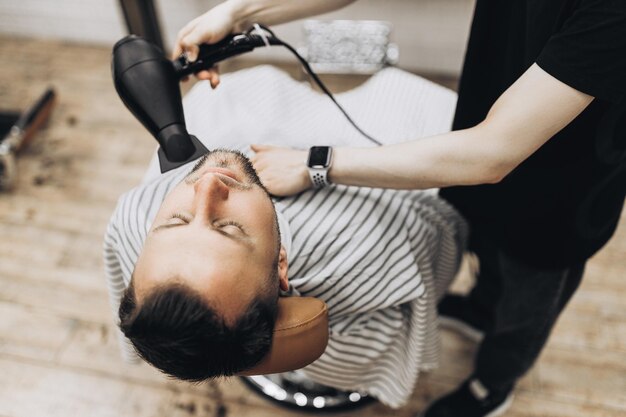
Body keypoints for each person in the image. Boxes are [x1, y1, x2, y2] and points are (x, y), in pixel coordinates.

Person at [172, 0, 626, 416]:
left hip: (563, 195)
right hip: (490, 114)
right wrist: (238, 12)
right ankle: (483, 307)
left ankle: (494, 382)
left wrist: (317, 163)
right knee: (488, 247)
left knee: (527, 302)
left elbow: (493, 153)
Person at [104, 143, 468, 409]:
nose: (206, 184)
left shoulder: (133, 215)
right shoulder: (369, 239)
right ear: (280, 265)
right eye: (229, 228)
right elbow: (446, 231)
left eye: (176, 221)